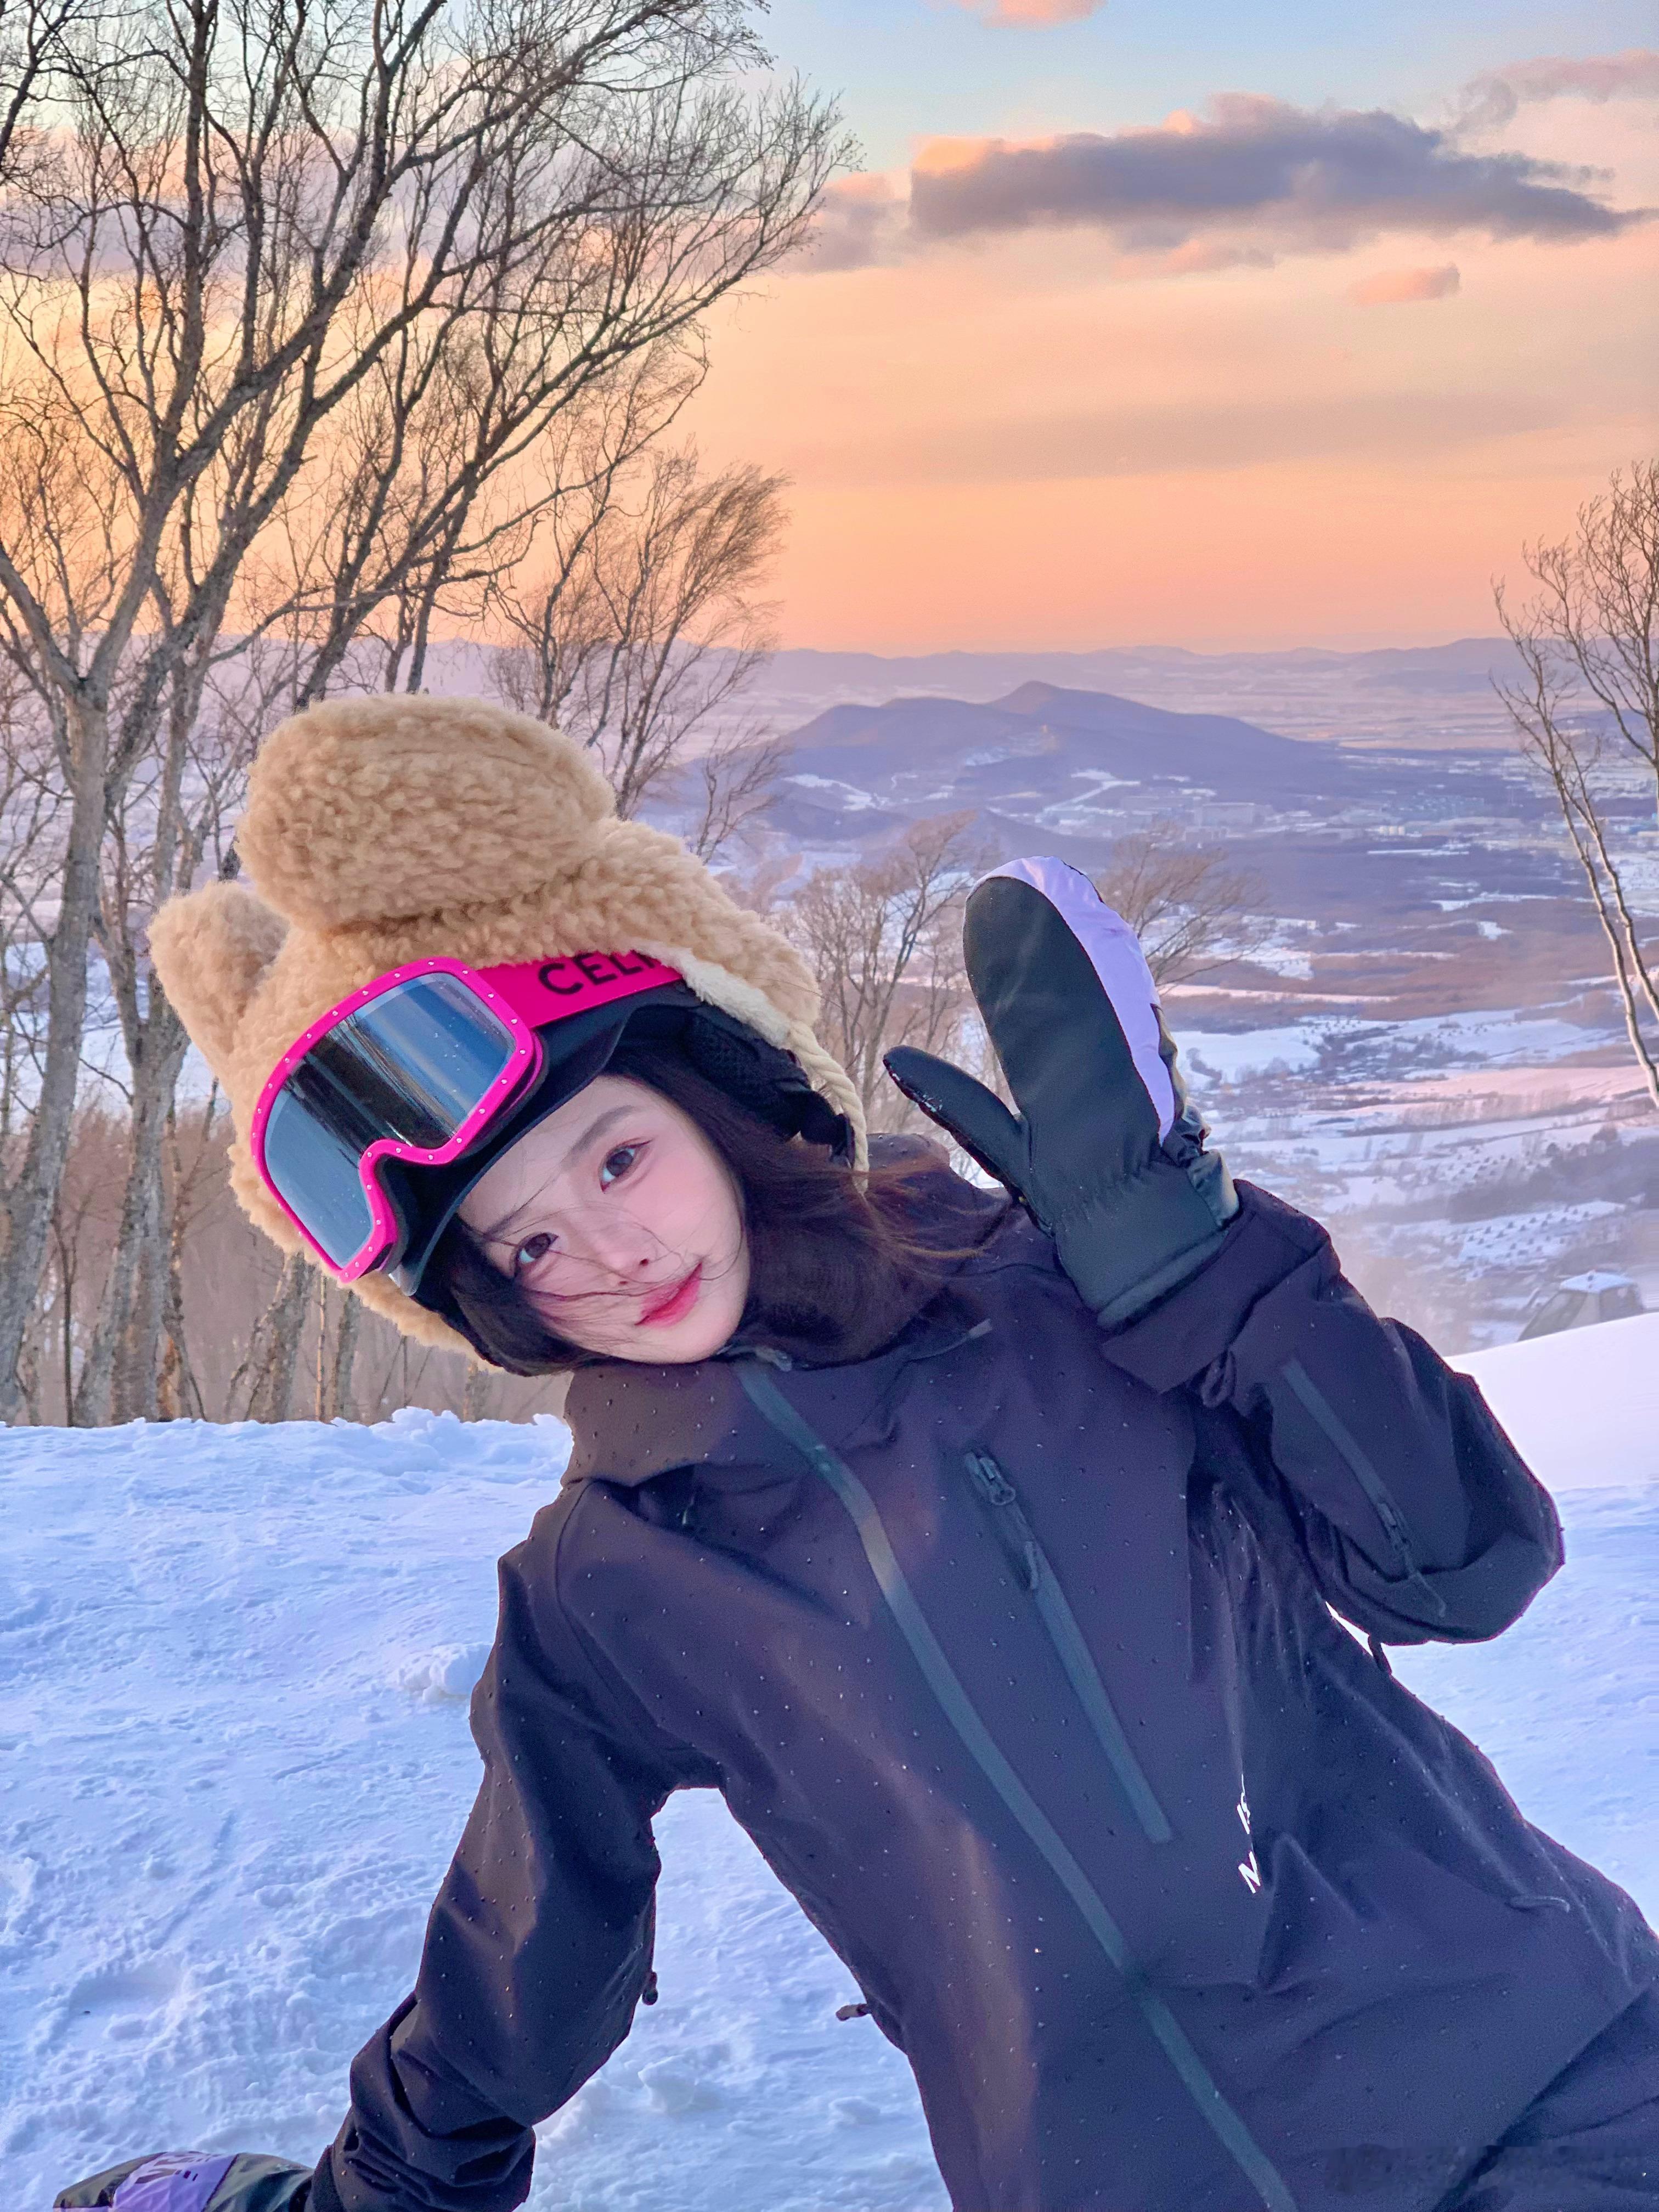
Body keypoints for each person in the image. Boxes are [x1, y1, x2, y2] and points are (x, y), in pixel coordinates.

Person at [58, 698, 1659, 2212]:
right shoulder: (613, 1580)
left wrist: (1210, 1274)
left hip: (1559, 2077)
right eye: (530, 1244)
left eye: (618, 1158)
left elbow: (1465, 1567)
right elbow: (523, 1952)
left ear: (719, 1100)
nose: (611, 1253)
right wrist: (377, 2189)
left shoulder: (1062, 1291)